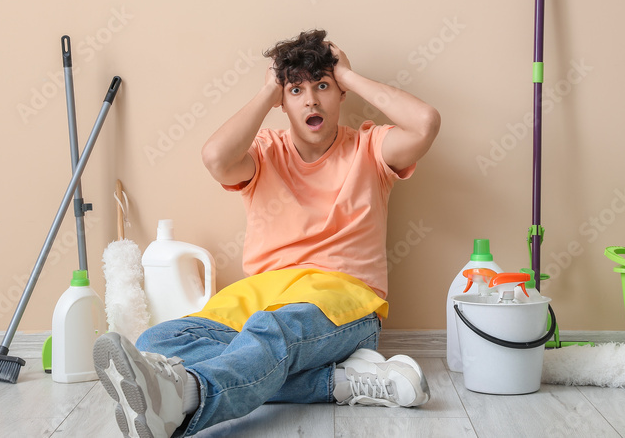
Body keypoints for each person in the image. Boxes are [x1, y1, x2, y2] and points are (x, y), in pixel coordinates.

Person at [94, 29, 441, 438]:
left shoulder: (370, 148)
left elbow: (425, 124)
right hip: (258, 300)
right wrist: (268, 91)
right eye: (296, 90)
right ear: (281, 101)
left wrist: (347, 75)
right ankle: (338, 383)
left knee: (268, 333)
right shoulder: (264, 152)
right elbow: (215, 157)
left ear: (341, 93)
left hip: (345, 302)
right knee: (159, 340)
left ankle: (187, 395)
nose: (311, 99)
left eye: (323, 86)